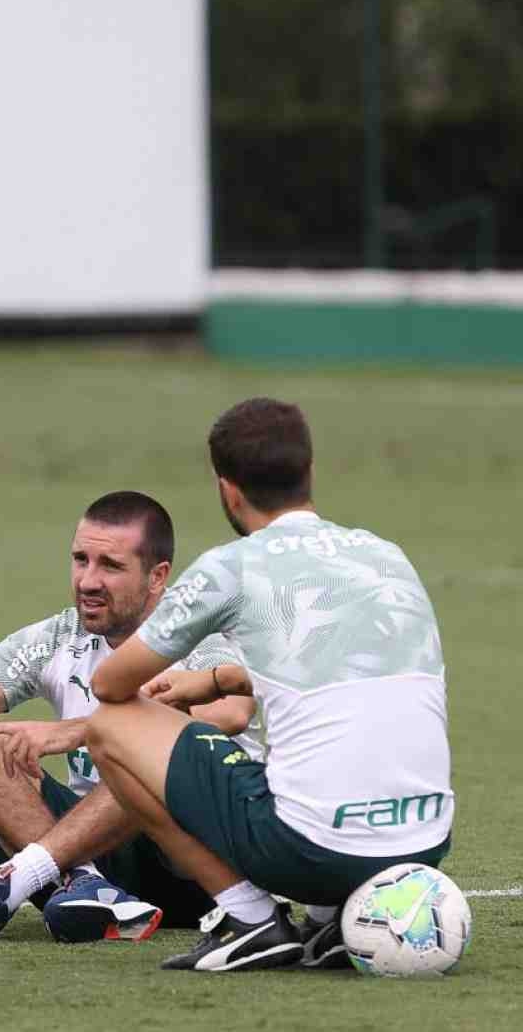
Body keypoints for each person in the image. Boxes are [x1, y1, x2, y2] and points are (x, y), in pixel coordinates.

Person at [86, 397, 453, 972]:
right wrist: (220, 678)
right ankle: (333, 919)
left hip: (308, 853)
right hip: (425, 846)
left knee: (109, 724)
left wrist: (190, 683)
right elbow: (342, 667)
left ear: (228, 489)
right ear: (308, 472)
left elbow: (110, 682)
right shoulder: (387, 554)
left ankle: (248, 919)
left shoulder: (230, 566)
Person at [0, 491, 261, 943]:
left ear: (157, 576)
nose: (88, 580)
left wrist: (74, 733)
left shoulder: (194, 639)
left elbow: (230, 712)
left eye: (110, 566)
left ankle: (21, 878)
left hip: (196, 869)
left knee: (152, 757)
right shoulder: (58, 637)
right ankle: (83, 885)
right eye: (80, 559)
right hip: (97, 851)